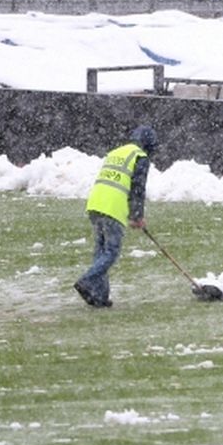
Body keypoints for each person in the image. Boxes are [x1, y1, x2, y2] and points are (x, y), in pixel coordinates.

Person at [74, 125, 157, 308]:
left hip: (95, 204)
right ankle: (87, 281)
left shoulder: (117, 152)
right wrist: (137, 216)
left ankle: (100, 296)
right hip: (112, 207)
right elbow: (137, 189)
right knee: (111, 252)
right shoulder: (140, 157)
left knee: (101, 250)